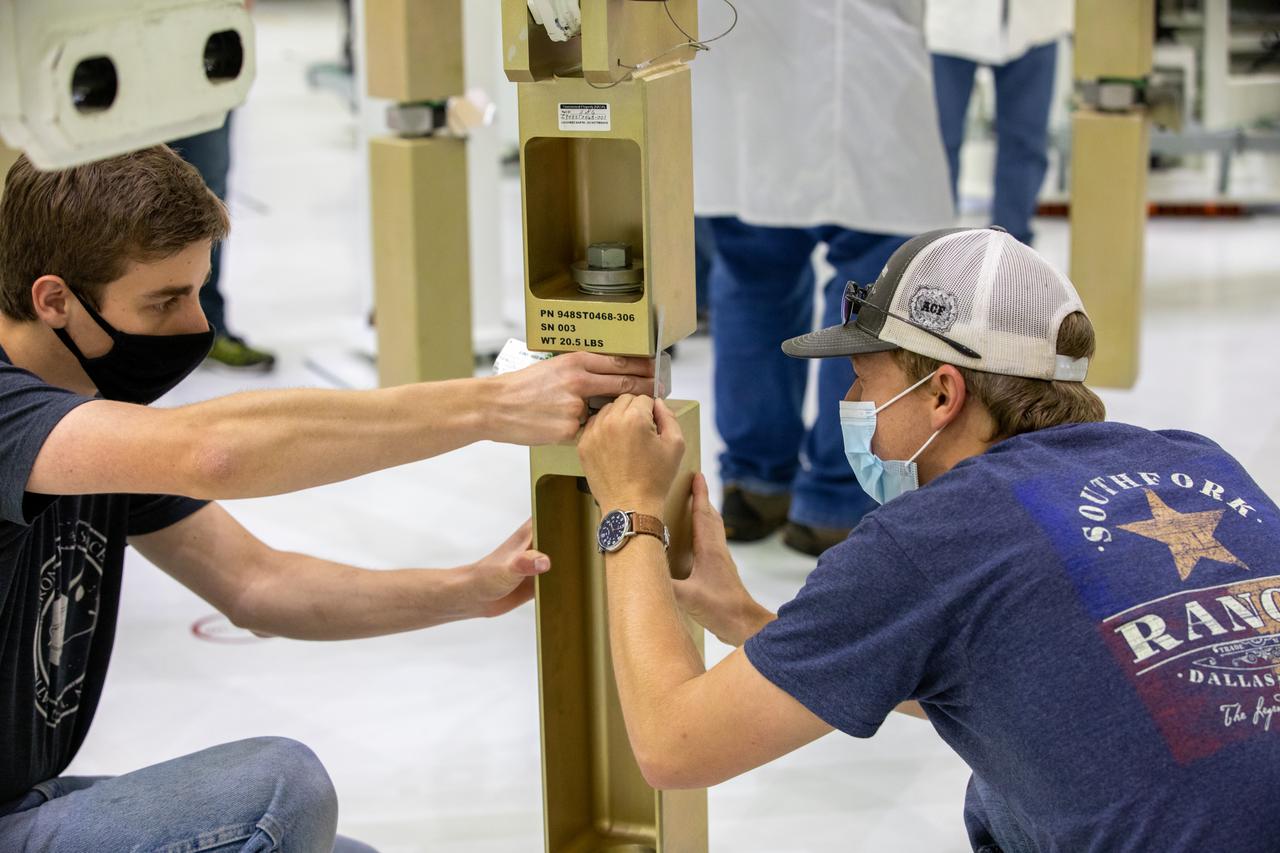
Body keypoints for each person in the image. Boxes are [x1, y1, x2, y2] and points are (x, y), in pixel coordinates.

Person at [0, 147, 654, 851]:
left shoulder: (97, 409)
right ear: (55, 299)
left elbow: (257, 583)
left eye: (198, 292)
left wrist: (468, 589)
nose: (195, 327)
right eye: (164, 300)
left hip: (27, 799)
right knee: (281, 791)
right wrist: (489, 405)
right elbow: (213, 451)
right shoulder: (14, 411)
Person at [578, 226, 1280, 851]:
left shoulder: (932, 535)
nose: (850, 408)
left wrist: (630, 506)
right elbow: (1023, 676)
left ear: (943, 394)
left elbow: (673, 746)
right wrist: (744, 620)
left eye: (860, 381)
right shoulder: (1197, 460)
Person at [693, 0, 954, 555]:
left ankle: (753, 484)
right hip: (863, 67)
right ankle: (839, 496)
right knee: (873, 292)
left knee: (752, 275)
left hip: (745, 67)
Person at [928, 0, 1072, 245]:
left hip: (1036, 24)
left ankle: (1011, 250)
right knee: (939, 143)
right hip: (948, 25)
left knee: (1025, 143)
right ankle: (931, 248)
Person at [170, 115, 280, 371]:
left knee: (204, 199)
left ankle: (204, 331)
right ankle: (130, 334)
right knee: (128, 194)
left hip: (203, 88)